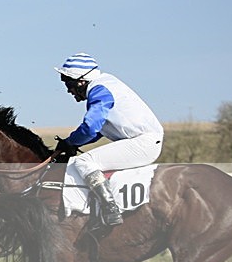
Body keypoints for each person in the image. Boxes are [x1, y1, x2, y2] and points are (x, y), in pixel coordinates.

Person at [54, 53, 164, 226]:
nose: (68, 89)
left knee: (84, 162)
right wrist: (72, 141)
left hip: (143, 143)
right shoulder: (104, 84)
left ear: (81, 80)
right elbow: (98, 131)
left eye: (69, 83)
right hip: (144, 141)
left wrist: (70, 142)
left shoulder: (99, 90)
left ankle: (110, 210)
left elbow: (91, 128)